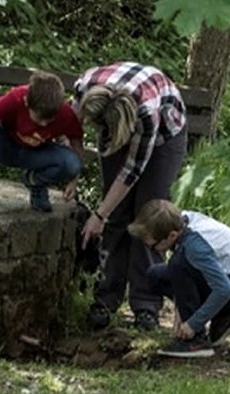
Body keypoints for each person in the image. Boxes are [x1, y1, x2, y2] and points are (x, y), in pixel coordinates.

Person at [74, 62, 188, 331]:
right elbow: (72, 132)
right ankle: (106, 297)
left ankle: (146, 304)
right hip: (120, 114)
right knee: (116, 214)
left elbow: (131, 171)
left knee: (149, 214)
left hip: (164, 135)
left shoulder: (146, 115)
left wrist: (98, 214)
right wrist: (73, 174)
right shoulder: (84, 88)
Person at [129, 200, 230, 359]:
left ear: (171, 235)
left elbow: (224, 289)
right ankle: (225, 315)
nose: (151, 249)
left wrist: (193, 324)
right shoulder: (182, 222)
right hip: (229, 279)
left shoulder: (194, 246)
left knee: (178, 264)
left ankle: (196, 341)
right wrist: (181, 305)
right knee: (156, 275)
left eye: (152, 246)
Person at [0, 70, 85, 220]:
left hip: (35, 155)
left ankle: (36, 183)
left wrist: (74, 181)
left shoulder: (66, 114)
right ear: (27, 102)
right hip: (6, 147)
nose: (44, 124)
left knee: (72, 163)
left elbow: (78, 147)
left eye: (49, 120)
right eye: (39, 119)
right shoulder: (17, 98)